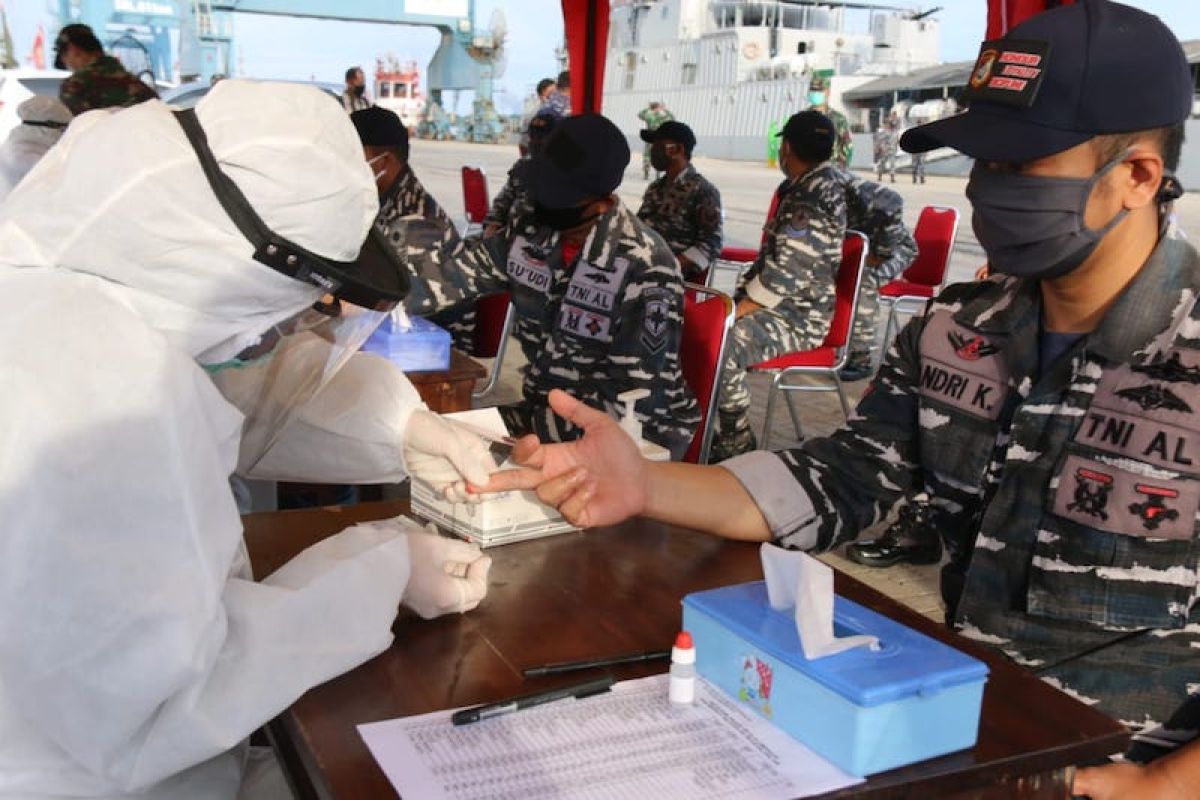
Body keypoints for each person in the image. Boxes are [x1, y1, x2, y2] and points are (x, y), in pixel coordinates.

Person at [484, 3, 1200, 795]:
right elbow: (841, 480)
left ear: (1135, 176)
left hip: (1133, 764)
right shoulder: (952, 334)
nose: (985, 190)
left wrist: (1166, 781)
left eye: (1017, 167)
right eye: (982, 164)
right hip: (977, 735)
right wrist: (643, 484)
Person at [0, 80, 498, 798]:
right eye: (294, 306)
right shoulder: (85, 387)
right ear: (240, 266)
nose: (286, 331)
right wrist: (379, 574)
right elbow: (160, 703)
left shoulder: (95, 283)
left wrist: (403, 426)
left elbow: (232, 382)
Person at [397, 113, 700, 458]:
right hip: (547, 416)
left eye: (558, 198)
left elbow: (632, 397)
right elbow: (454, 274)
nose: (542, 205)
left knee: (460, 454)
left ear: (601, 202)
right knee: (430, 439)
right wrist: (374, 297)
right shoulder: (533, 234)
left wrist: (515, 443)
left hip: (631, 438)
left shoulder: (645, 267)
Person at [710, 109, 847, 461]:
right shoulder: (812, 185)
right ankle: (705, 427)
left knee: (724, 343)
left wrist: (731, 315)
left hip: (798, 318)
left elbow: (782, 278)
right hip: (784, 309)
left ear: (785, 147)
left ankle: (735, 442)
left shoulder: (810, 198)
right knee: (708, 328)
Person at [351, 106, 474, 350]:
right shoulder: (380, 200)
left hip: (430, 351)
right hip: (388, 337)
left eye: (351, 156)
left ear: (383, 161)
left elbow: (396, 311)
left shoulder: (419, 224)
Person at [834, 170, 917, 381]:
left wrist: (880, 254)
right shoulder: (809, 189)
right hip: (861, 246)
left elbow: (893, 203)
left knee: (863, 282)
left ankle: (861, 358)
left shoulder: (856, 190)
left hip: (896, 249)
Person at [636, 120, 723, 283]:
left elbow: (711, 244)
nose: (652, 151)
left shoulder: (703, 191)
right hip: (640, 275)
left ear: (677, 150)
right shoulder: (655, 188)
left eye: (657, 146)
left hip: (674, 283)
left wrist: (670, 267)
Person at [53, 23, 157, 115]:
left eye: (64, 56)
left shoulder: (75, 87)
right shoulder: (138, 85)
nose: (66, 63)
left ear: (73, 49)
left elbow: (73, 132)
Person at [487, 109, 558, 236]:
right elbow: (504, 199)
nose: (535, 141)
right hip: (512, 236)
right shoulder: (523, 166)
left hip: (545, 242)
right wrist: (493, 225)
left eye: (541, 136)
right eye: (533, 135)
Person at [0, 96, 70, 202]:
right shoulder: (23, 155)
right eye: (63, 128)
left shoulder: (23, 143)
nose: (65, 132)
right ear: (49, 126)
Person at [808, 74, 853, 168]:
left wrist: (840, 169)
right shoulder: (802, 118)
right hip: (808, 171)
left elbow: (847, 145)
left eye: (819, 90)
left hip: (831, 171)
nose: (815, 93)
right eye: (813, 90)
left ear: (827, 92)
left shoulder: (838, 119)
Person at [637, 100, 674, 179]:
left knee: (647, 155)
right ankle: (657, 173)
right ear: (658, 107)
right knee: (659, 154)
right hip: (660, 139)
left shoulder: (649, 115)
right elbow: (672, 118)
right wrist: (665, 110)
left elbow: (640, 114)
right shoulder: (664, 116)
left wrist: (648, 109)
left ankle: (646, 172)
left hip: (650, 138)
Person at [873, 115, 899, 183]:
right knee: (882, 163)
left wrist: (897, 148)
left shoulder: (896, 132)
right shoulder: (885, 131)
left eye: (894, 125)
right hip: (886, 150)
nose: (893, 125)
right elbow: (881, 140)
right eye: (892, 124)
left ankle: (892, 177)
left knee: (892, 164)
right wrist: (881, 147)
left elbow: (897, 141)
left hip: (892, 150)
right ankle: (880, 175)